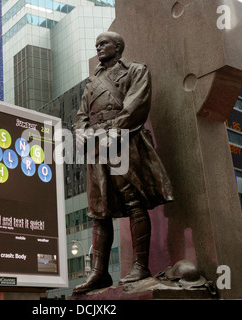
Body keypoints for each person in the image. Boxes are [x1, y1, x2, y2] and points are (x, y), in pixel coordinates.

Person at [73, 32, 173, 294]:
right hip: (96, 147)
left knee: (133, 201)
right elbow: (81, 117)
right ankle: (99, 272)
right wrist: (82, 133)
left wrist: (110, 131)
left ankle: (141, 265)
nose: (98, 47)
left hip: (122, 141)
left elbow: (135, 107)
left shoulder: (136, 71)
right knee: (99, 210)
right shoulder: (91, 83)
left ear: (117, 47)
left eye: (103, 43)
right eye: (96, 45)